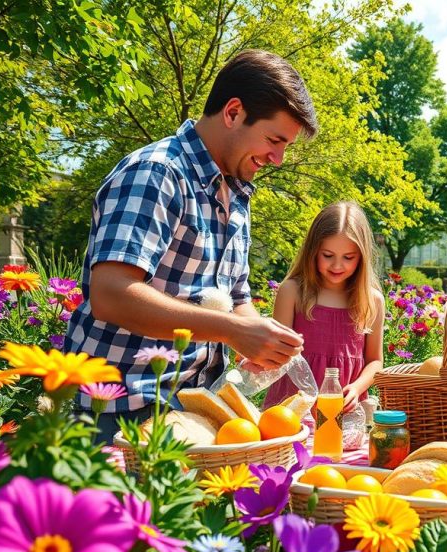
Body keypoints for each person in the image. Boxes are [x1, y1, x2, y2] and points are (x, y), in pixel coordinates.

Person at [66, 49, 319, 443]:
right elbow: (111, 294)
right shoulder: (156, 173)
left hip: (197, 412)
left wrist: (256, 335)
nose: (279, 158)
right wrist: (233, 330)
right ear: (233, 112)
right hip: (119, 412)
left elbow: (236, 295)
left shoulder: (236, 191)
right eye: (274, 140)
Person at [265, 201, 384, 414]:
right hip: (291, 411)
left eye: (348, 258)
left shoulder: (372, 300)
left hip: (343, 412)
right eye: (327, 255)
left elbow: (375, 361)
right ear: (313, 251)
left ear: (362, 258)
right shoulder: (292, 292)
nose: (337, 266)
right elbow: (277, 352)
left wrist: (357, 388)